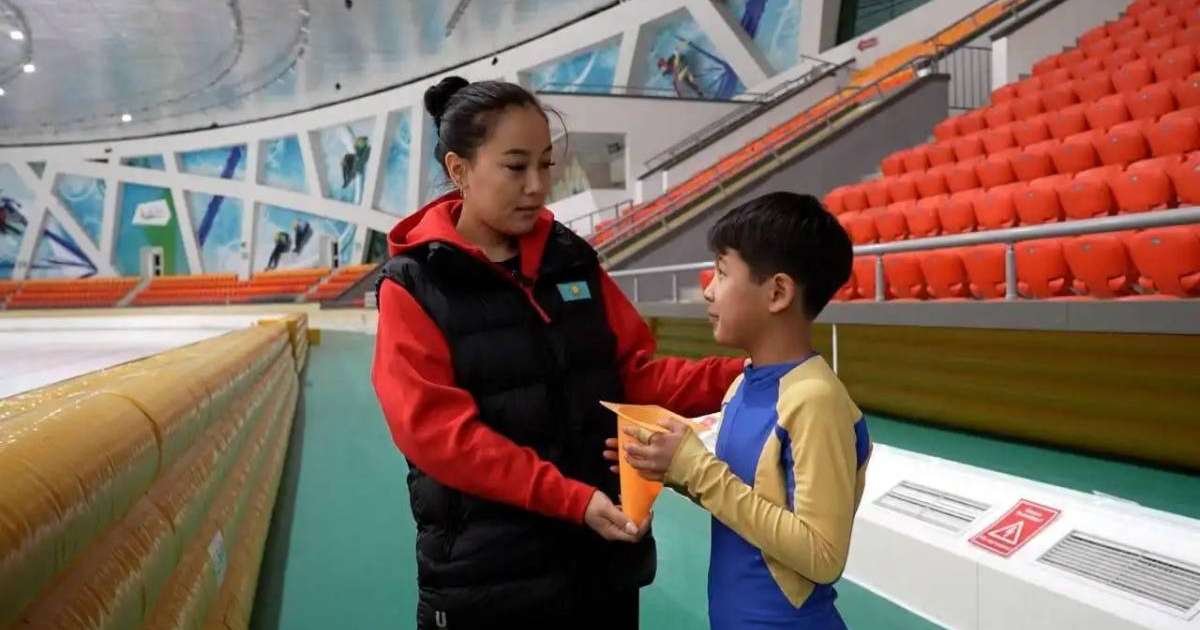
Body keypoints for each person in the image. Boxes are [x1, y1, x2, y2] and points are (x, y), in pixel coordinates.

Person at [370, 76, 743, 629]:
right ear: (459, 170)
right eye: (516, 167)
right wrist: (570, 499)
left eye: (546, 164)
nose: (538, 185)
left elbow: (631, 375)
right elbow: (441, 437)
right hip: (489, 584)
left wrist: (742, 376)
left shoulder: (571, 259)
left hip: (601, 566)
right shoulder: (414, 286)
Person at [619, 192, 872, 630]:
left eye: (721, 272)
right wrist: (669, 466)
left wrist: (697, 470)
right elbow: (742, 500)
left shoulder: (815, 400)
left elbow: (823, 555)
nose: (708, 289)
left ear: (777, 292)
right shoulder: (742, 385)